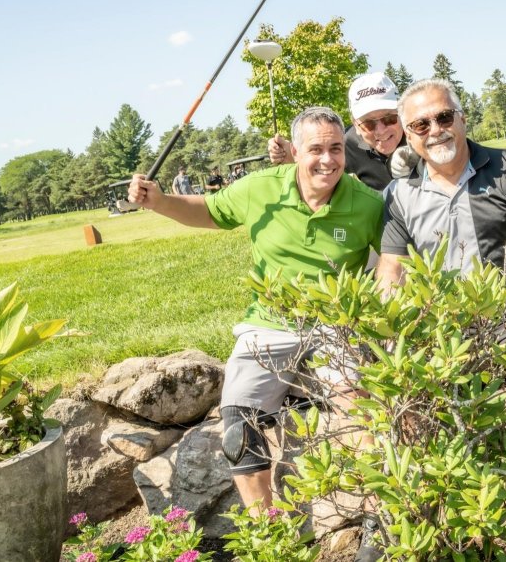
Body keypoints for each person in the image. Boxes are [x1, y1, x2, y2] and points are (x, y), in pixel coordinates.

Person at [127, 108, 384, 538]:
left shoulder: (367, 204)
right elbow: (209, 211)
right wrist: (159, 201)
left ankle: (380, 525)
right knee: (238, 427)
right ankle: (270, 536)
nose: (328, 160)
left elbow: (393, 264)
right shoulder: (261, 188)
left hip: (334, 324)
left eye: (336, 148)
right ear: (296, 151)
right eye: (316, 149)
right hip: (268, 324)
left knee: (360, 414)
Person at [373, 78, 506, 562]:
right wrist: (391, 340)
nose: (436, 130)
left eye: (444, 117)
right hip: (442, 324)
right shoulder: (400, 192)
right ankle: (427, 531)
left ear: (463, 118)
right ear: (408, 135)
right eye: (421, 124)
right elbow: (392, 269)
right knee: (407, 396)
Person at [268, 72, 407, 191]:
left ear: (402, 113)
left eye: (389, 118)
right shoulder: (343, 146)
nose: (381, 130)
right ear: (356, 125)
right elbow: (317, 171)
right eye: (368, 124)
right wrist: (294, 158)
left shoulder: (422, 135)